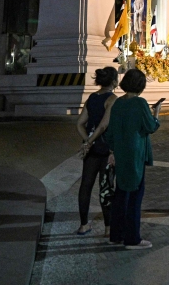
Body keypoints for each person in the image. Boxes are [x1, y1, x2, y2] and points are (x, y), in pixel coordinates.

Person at [102, 69, 160, 249]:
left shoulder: (118, 103)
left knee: (121, 194)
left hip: (120, 152)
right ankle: (132, 238)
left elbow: (110, 132)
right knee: (135, 195)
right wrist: (156, 113)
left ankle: (116, 235)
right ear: (141, 85)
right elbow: (150, 126)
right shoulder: (140, 103)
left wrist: (113, 151)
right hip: (135, 154)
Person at [75, 66, 119, 237]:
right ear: (114, 81)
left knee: (86, 185)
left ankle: (83, 225)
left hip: (92, 150)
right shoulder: (112, 99)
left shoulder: (92, 98)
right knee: (106, 186)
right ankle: (108, 227)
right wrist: (91, 140)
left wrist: (87, 141)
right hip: (106, 148)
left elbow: (79, 123)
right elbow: (103, 125)